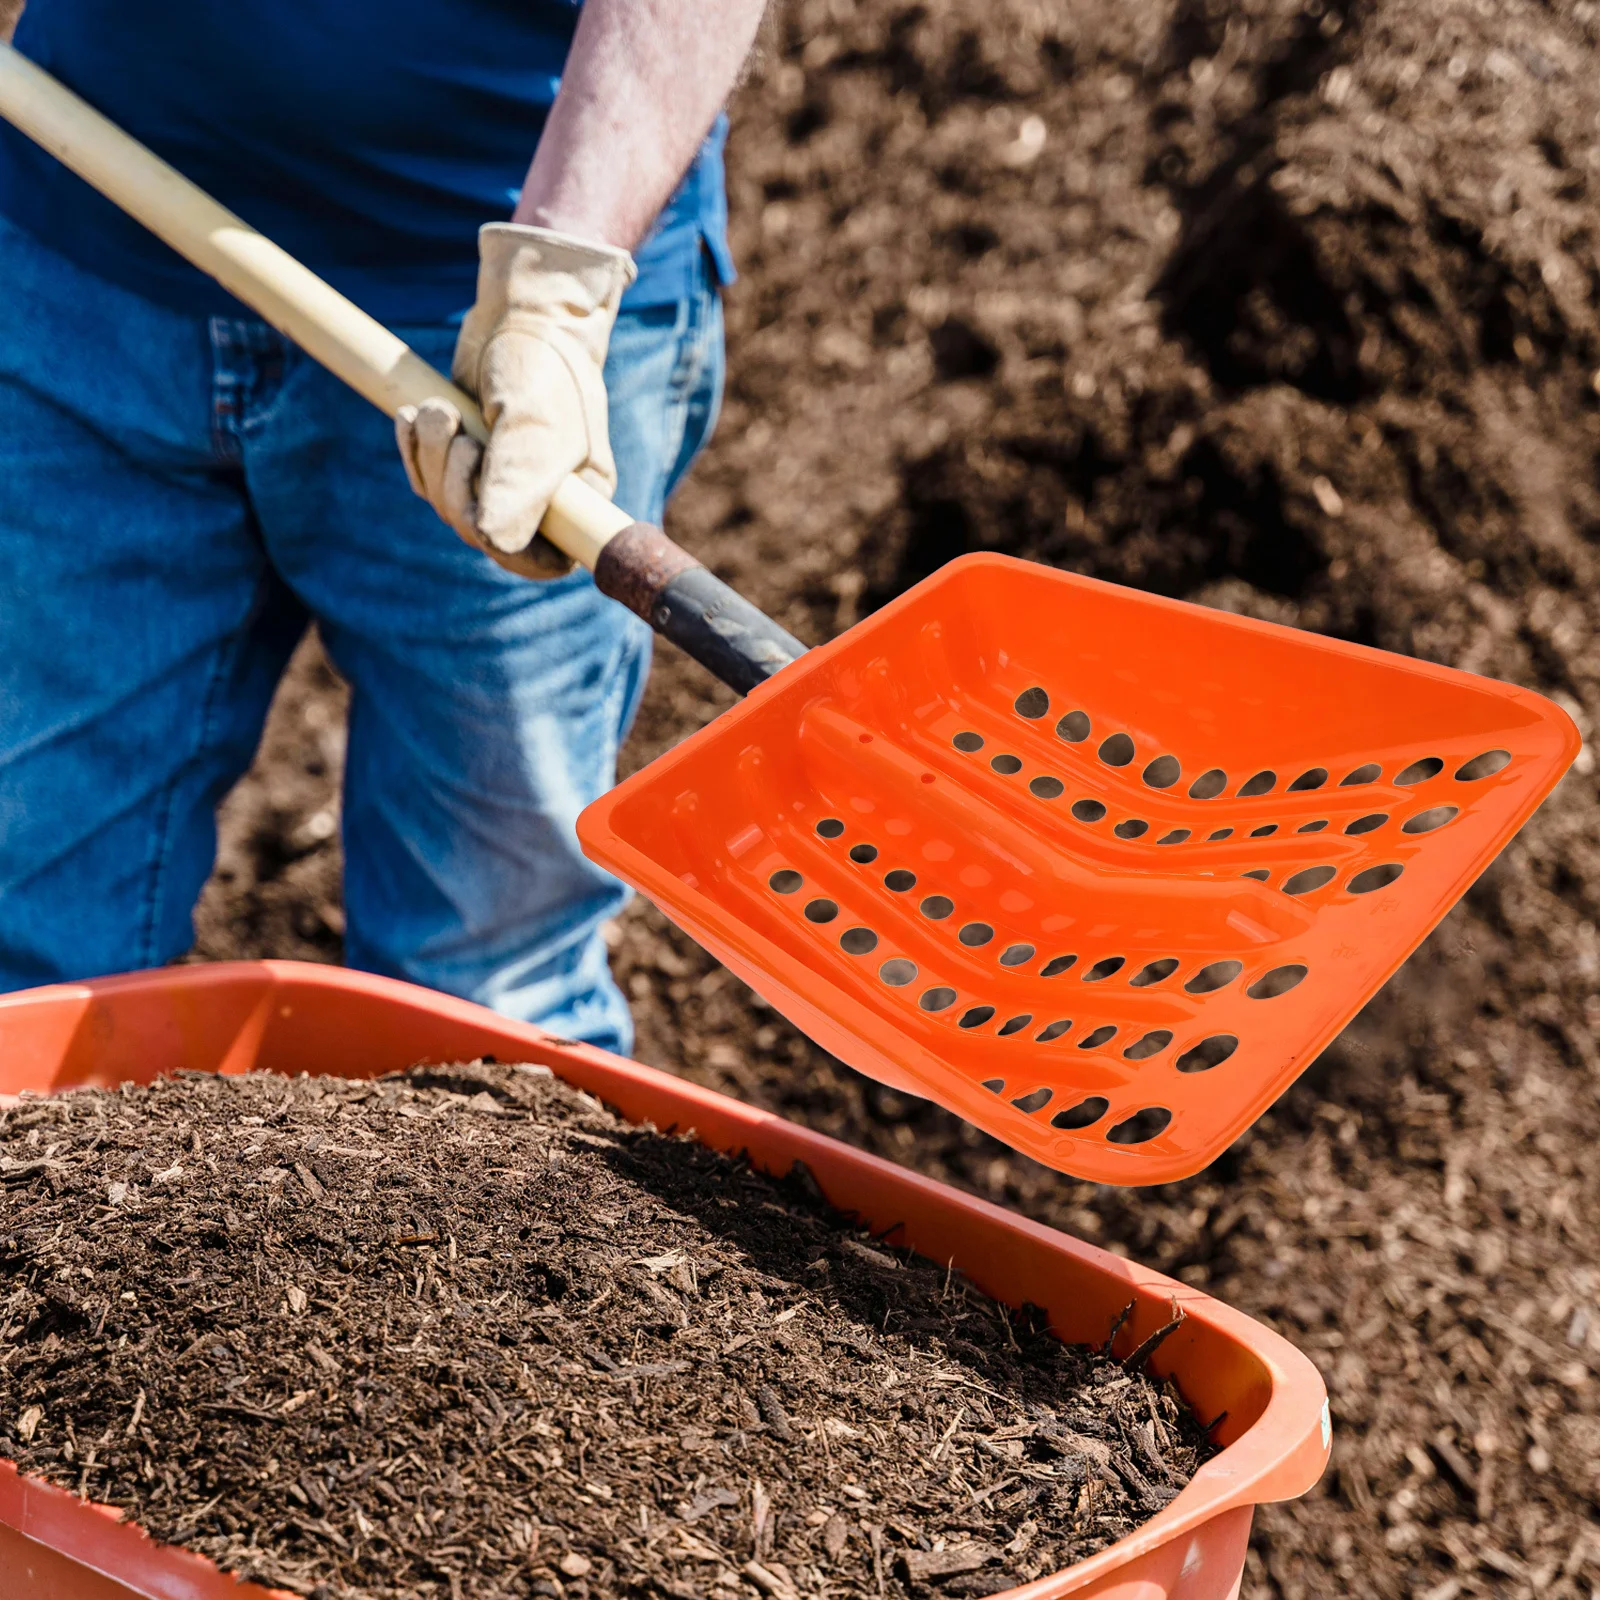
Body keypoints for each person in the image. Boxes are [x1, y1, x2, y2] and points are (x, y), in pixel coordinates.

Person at [0, 0, 769, 1053]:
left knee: (484, 1009)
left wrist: (555, 293)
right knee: (27, 934)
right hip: (87, 229)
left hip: (498, 316)